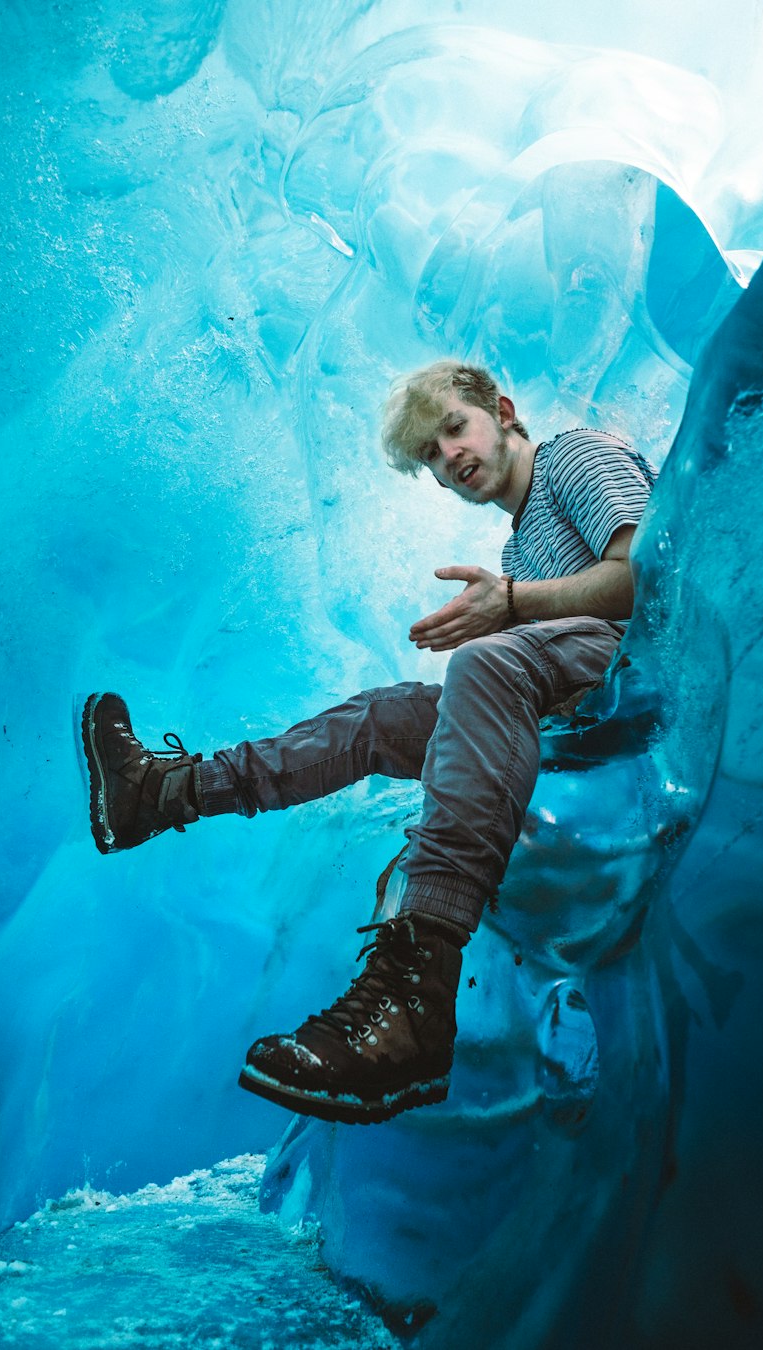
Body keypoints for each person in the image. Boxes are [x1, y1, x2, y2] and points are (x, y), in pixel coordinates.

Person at [81, 360, 656, 1126]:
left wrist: (509, 607)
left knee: (482, 662)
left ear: (504, 411)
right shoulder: (519, 552)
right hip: (568, 713)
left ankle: (417, 1007)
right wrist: (510, 605)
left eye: (454, 427)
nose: (449, 457)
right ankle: (160, 794)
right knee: (383, 717)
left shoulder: (574, 458)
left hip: (629, 676)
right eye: (430, 454)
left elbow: (645, 573)